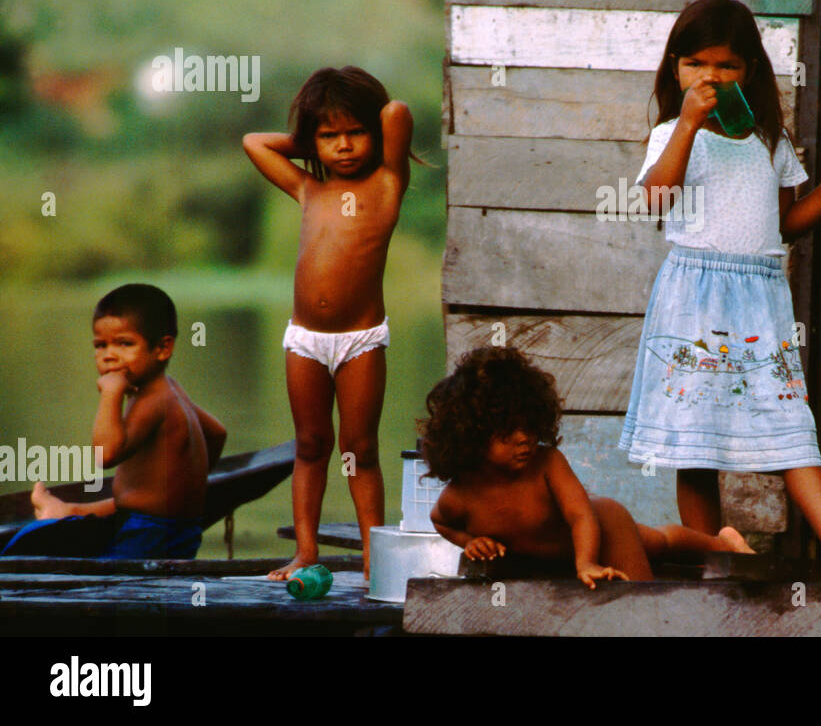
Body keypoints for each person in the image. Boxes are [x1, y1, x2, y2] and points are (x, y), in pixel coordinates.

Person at [619, 0, 821, 559]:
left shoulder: (767, 140)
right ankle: (713, 554)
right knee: (695, 438)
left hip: (759, 300)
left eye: (726, 65)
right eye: (695, 64)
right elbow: (655, 198)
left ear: (749, 70)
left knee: (790, 423)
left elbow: (783, 224)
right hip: (692, 298)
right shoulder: (673, 134)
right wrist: (690, 124)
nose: (711, 77)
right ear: (675, 69)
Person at [243, 66, 414, 580]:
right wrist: (308, 137)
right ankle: (306, 552)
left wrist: (353, 116)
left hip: (361, 340)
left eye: (353, 132)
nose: (343, 146)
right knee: (311, 445)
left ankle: (372, 558)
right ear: (312, 142)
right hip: (305, 342)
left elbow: (396, 112)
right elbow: (254, 142)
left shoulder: (388, 182)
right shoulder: (307, 189)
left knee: (359, 449)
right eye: (329, 136)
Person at [423, 347, 753, 588]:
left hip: (604, 527)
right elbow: (440, 521)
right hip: (560, 555)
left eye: (529, 426)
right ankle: (721, 541)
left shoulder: (545, 462)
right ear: (473, 435)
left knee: (647, 579)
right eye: (507, 432)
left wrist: (587, 562)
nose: (524, 439)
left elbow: (581, 515)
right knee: (655, 541)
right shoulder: (461, 495)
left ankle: (723, 544)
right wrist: (469, 541)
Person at [1, 284, 226, 559]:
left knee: (27, 546)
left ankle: (59, 516)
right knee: (119, 504)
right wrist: (187, 481)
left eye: (125, 343)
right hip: (173, 528)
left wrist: (111, 394)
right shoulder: (171, 390)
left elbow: (105, 455)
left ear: (163, 348)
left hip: (147, 534)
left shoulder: (152, 401)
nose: (109, 355)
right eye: (100, 345)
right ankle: (65, 511)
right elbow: (217, 434)